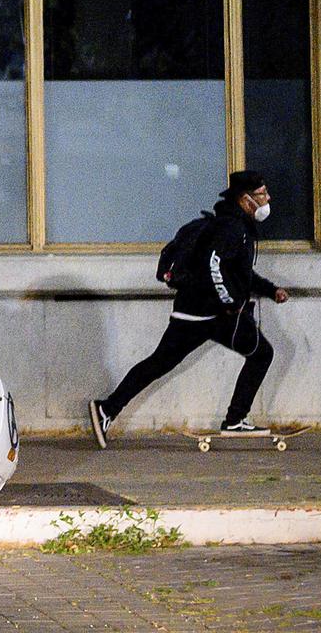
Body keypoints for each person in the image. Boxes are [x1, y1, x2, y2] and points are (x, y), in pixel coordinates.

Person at [89, 171, 290, 449]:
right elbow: (214, 265)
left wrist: (270, 289)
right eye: (262, 194)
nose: (268, 199)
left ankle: (106, 410)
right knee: (261, 353)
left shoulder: (234, 225)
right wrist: (230, 302)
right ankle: (235, 420)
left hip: (195, 311)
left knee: (159, 362)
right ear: (246, 200)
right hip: (213, 314)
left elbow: (240, 274)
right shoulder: (232, 229)